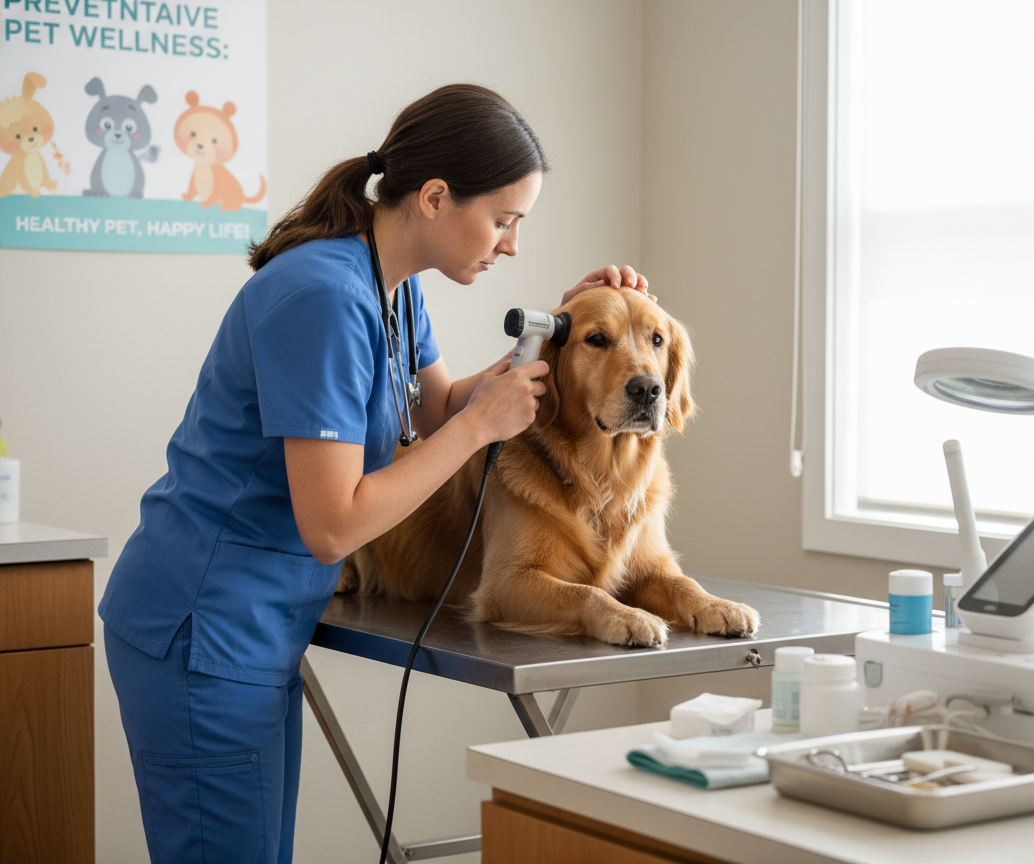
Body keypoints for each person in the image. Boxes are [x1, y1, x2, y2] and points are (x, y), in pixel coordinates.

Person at [98, 83, 650, 864]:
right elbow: (335, 525)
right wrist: (475, 428)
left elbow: (440, 409)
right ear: (434, 197)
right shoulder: (322, 297)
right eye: (503, 220)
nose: (512, 244)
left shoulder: (391, 285)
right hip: (205, 626)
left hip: (249, 629)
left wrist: (571, 330)